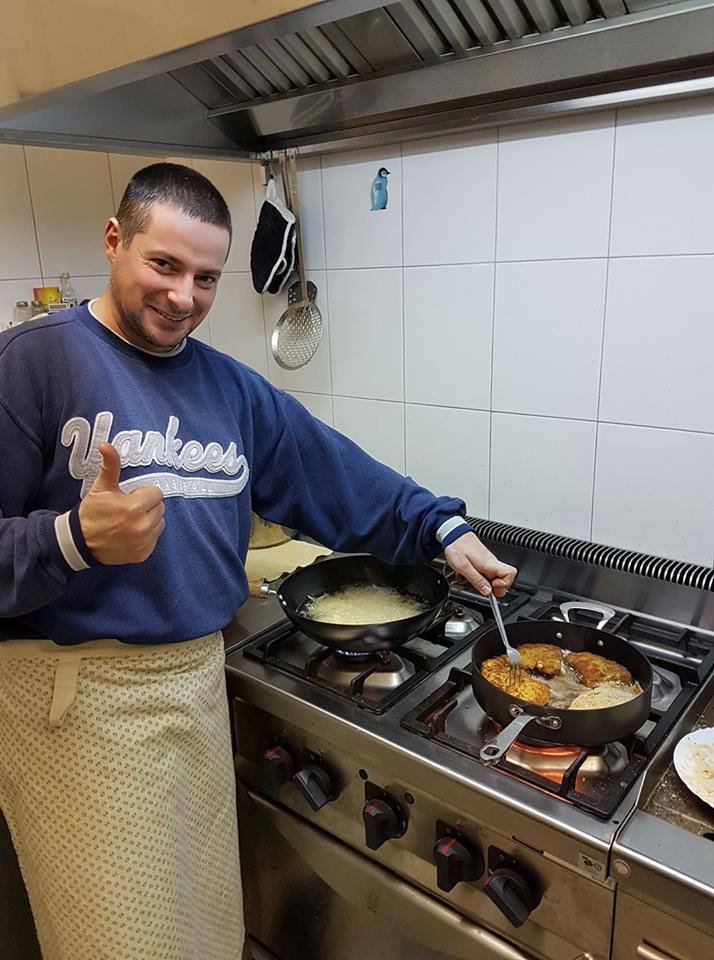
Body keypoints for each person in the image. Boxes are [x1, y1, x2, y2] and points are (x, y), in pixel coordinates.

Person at [0, 163, 517, 960]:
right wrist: (73, 538)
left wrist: (440, 527)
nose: (184, 297)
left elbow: (333, 473)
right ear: (113, 241)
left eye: (206, 278)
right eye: (163, 266)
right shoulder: (32, 363)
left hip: (198, 689)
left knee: (207, 938)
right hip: (79, 708)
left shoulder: (230, 390)